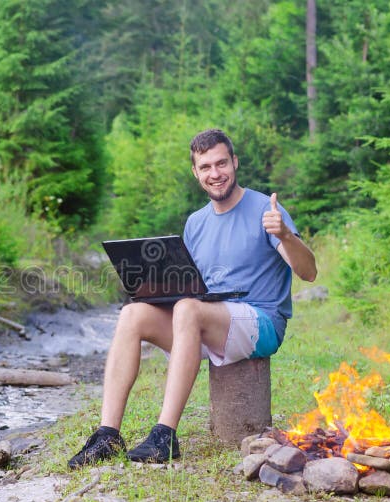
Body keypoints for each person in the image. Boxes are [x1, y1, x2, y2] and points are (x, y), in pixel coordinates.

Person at [68, 128, 317, 469]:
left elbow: (308, 272)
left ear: (235, 162)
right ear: (196, 173)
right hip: (206, 321)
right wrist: (154, 292)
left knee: (187, 308)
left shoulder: (265, 209)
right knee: (133, 314)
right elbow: (190, 289)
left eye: (221, 163)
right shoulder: (195, 223)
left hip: (260, 321)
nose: (215, 174)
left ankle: (164, 436)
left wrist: (285, 235)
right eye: (206, 167)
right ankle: (107, 435)